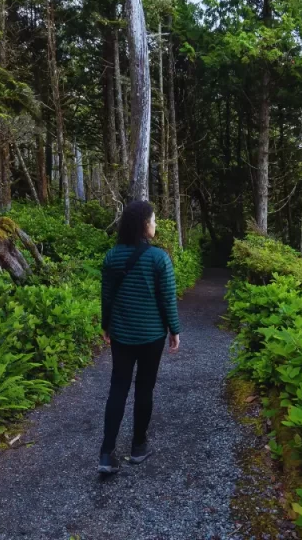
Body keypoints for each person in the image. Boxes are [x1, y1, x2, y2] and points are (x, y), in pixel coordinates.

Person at [97, 200, 181, 474]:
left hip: (121, 333)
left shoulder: (112, 256)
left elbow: (107, 297)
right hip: (151, 336)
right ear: (144, 225)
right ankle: (137, 447)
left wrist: (106, 325)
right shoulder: (159, 258)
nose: (155, 224)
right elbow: (167, 298)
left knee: (118, 388)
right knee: (144, 388)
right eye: (153, 220)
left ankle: (106, 453)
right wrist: (174, 330)